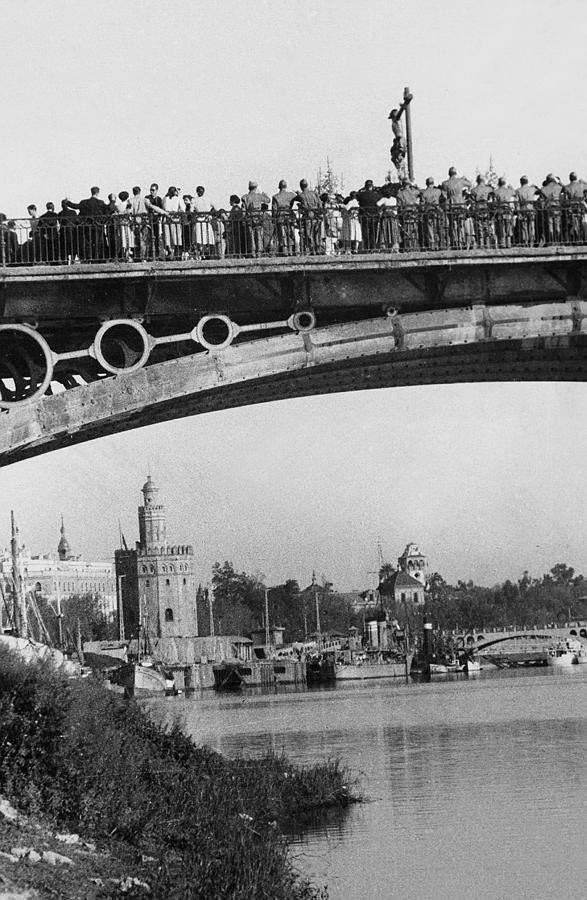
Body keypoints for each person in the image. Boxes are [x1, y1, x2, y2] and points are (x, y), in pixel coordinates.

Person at [65, 186, 109, 260]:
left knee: (87, 243)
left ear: (91, 192)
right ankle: (96, 257)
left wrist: (67, 201)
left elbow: (75, 206)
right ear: (98, 193)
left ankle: (88, 257)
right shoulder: (100, 202)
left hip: (86, 226)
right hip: (97, 226)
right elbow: (108, 208)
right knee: (97, 242)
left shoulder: (84, 202)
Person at [441, 167, 471, 249]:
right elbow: (469, 184)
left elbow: (444, 195)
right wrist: (464, 179)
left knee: (453, 224)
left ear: (449, 174)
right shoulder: (460, 181)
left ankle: (455, 241)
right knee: (461, 224)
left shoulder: (445, 183)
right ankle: (462, 240)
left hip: (451, 205)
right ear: (456, 173)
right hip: (461, 204)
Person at [242, 181, 271, 256]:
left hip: (249, 218)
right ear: (256, 188)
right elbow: (268, 200)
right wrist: (263, 193)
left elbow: (243, 211)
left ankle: (252, 251)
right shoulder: (259, 196)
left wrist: (243, 220)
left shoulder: (245, 197)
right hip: (259, 218)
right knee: (259, 235)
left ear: (249, 188)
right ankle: (259, 251)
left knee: (251, 236)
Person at [296, 178, 322, 254]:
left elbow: (304, 206)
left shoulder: (301, 195)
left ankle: (312, 249)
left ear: (301, 186)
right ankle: (318, 249)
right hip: (316, 216)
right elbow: (320, 204)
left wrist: (299, 205)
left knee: (309, 234)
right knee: (316, 234)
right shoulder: (314, 193)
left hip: (308, 216)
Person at [272, 180, 296, 255]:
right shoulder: (291, 195)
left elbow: (274, 210)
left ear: (279, 187)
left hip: (280, 216)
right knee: (290, 233)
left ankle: (284, 251)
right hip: (289, 215)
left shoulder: (275, 197)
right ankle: (291, 251)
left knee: (282, 234)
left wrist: (274, 219)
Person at [396, 176, 421, 250]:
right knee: (414, 230)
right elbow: (420, 192)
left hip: (405, 214)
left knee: (406, 231)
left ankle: (407, 246)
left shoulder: (400, 194)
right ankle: (415, 245)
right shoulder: (415, 192)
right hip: (414, 214)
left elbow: (399, 206)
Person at [562, 172, 587, 244]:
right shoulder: (582, 186)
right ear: (576, 178)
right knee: (581, 223)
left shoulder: (567, 187)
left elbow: (565, 199)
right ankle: (583, 239)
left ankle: (574, 240)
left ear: (570, 178)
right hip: (580, 207)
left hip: (571, 207)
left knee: (572, 224)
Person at [470, 175, 494, 248]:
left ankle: (480, 244)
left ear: (477, 181)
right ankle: (487, 244)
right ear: (483, 180)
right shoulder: (488, 189)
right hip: (485, 208)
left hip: (477, 209)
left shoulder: (473, 190)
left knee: (478, 227)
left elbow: (472, 201)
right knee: (486, 226)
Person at [192, 186, 216, 258]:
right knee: (198, 239)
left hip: (206, 220)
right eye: (199, 191)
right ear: (197, 192)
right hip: (198, 220)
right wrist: (196, 214)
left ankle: (205, 254)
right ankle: (200, 254)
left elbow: (215, 208)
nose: (200, 193)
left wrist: (209, 215)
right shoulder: (194, 199)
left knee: (207, 238)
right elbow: (191, 210)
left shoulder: (208, 199)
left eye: (201, 191)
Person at [514, 176, 539, 246]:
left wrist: (518, 212)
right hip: (531, 209)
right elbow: (539, 192)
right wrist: (535, 187)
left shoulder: (518, 190)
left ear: (520, 182)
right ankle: (532, 241)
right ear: (527, 181)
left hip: (523, 209)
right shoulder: (532, 189)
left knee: (524, 226)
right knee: (531, 226)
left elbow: (516, 202)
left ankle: (525, 241)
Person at [356, 180, 380, 251]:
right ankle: (372, 247)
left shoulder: (361, 195)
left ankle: (366, 247)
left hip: (364, 216)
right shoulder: (376, 195)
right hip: (374, 216)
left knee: (365, 232)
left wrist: (361, 190)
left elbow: (356, 196)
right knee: (373, 232)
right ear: (372, 186)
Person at [420, 177, 443, 250]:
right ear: (433, 183)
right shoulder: (438, 191)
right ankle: (439, 244)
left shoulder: (424, 193)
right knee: (438, 227)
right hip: (436, 211)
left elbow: (422, 205)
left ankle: (431, 244)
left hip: (428, 212)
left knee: (430, 228)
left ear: (426, 184)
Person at [540, 174, 563, 244]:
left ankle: (551, 240)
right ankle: (557, 240)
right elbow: (565, 188)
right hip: (557, 208)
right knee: (557, 225)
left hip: (548, 208)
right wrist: (559, 182)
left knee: (550, 226)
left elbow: (542, 202)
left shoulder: (543, 189)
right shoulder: (559, 187)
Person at [376, 184, 399, 251]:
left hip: (390, 216)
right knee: (388, 231)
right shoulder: (386, 199)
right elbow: (378, 204)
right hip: (388, 216)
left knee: (391, 231)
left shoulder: (390, 199)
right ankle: (388, 246)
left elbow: (378, 204)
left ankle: (392, 247)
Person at [144, 183, 165, 258]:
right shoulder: (147, 198)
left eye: (153, 190)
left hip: (156, 221)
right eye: (150, 190)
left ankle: (157, 254)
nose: (151, 191)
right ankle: (149, 254)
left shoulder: (159, 199)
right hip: (149, 220)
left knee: (157, 237)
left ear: (156, 190)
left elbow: (161, 209)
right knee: (148, 237)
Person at [493, 177, 515, 248]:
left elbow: (495, 203)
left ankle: (502, 244)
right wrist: (511, 187)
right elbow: (514, 192)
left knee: (501, 228)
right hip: (508, 211)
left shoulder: (496, 191)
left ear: (498, 183)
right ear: (505, 183)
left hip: (500, 211)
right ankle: (509, 243)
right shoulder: (509, 191)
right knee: (508, 228)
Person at [162, 186, 184, 259]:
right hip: (167, 218)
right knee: (167, 236)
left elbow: (182, 209)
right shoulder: (165, 199)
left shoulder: (178, 199)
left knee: (176, 237)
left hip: (175, 219)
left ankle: (176, 254)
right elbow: (163, 207)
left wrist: (177, 213)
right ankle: (170, 253)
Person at [130, 186, 148, 261]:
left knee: (136, 240)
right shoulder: (144, 200)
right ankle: (143, 257)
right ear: (140, 191)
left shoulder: (130, 200)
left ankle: (136, 256)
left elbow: (129, 211)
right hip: (143, 221)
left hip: (134, 222)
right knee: (143, 240)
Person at [114, 191, 132, 261]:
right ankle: (127, 256)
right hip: (127, 224)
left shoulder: (118, 206)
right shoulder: (128, 205)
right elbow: (130, 214)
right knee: (127, 240)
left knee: (122, 239)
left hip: (120, 224)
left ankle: (122, 256)